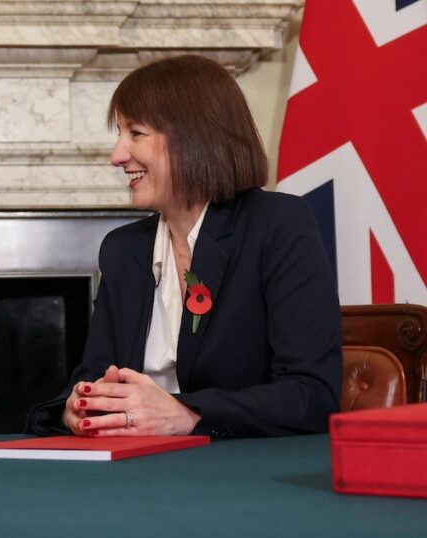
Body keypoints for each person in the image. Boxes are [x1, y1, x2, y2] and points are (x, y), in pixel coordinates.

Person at [27, 55, 341, 439]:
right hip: (131, 474)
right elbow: (92, 376)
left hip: (240, 478)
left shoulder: (278, 226)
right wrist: (79, 407)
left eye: (135, 134)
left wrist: (188, 415)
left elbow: (312, 396)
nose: (117, 156)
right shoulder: (122, 249)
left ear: (193, 138)